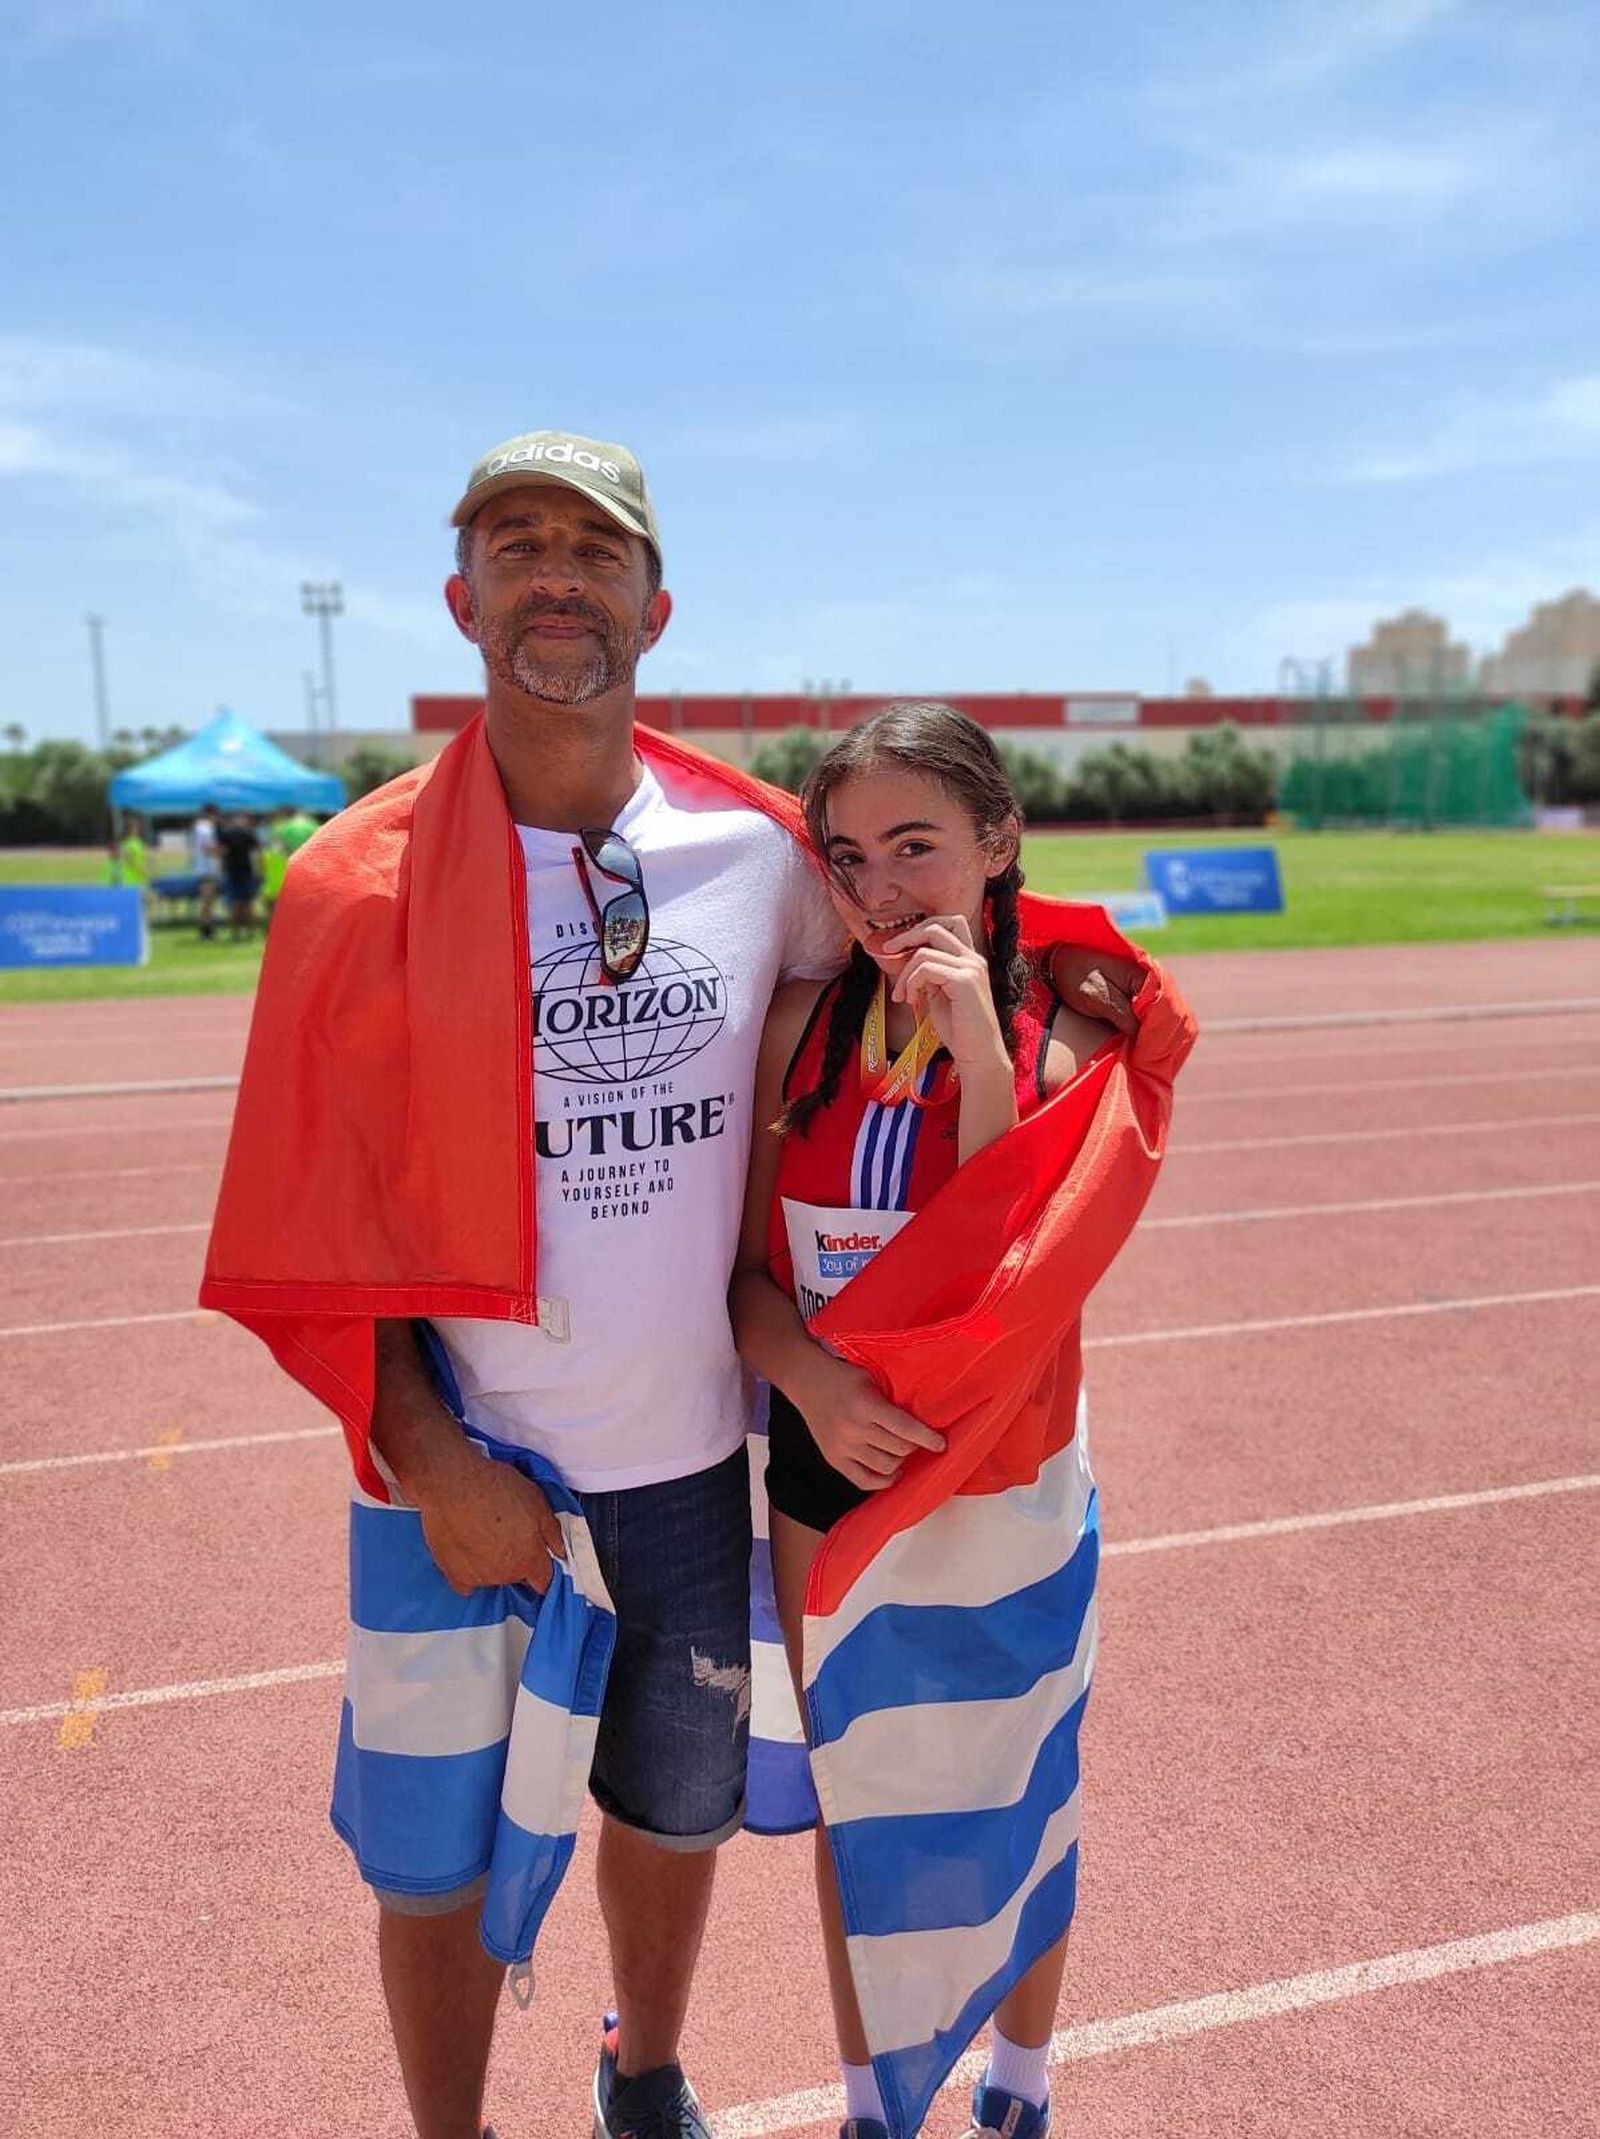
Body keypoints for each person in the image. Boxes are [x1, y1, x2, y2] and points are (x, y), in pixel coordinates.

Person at [200, 431, 1149, 2139]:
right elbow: (306, 1212)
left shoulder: (762, 851)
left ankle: (643, 2076)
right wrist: (432, 1460)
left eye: (591, 544)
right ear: (460, 596)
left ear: (654, 599)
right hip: (453, 1467)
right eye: (515, 542)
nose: (555, 571)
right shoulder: (352, 882)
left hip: (690, 1461)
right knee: (434, 1849)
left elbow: (924, 921)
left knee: (680, 1803)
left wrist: (1081, 997)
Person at [730, 703, 1195, 2139]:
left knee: (1017, 1783)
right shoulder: (805, 1027)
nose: (880, 888)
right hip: (829, 1464)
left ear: (1000, 843)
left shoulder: (1074, 1044)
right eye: (852, 855)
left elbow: (1009, 1275)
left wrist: (982, 1059)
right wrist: (812, 1381)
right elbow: (746, 1278)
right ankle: (879, 2099)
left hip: (1001, 1471)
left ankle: (1019, 2079)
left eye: (917, 846)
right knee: (861, 1796)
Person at [216, 808, 261, 937]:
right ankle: (251, 931)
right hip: (246, 871)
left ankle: (235, 932)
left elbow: (221, 851)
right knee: (248, 903)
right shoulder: (248, 833)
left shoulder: (226, 833)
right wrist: (259, 869)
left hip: (232, 871)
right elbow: (257, 851)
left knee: (235, 903)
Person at [190, 799, 221, 938]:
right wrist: (223, 851)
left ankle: (207, 926)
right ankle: (206, 928)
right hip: (206, 868)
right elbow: (207, 848)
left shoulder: (199, 827)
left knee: (208, 900)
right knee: (207, 899)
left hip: (204, 868)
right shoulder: (205, 828)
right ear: (211, 814)